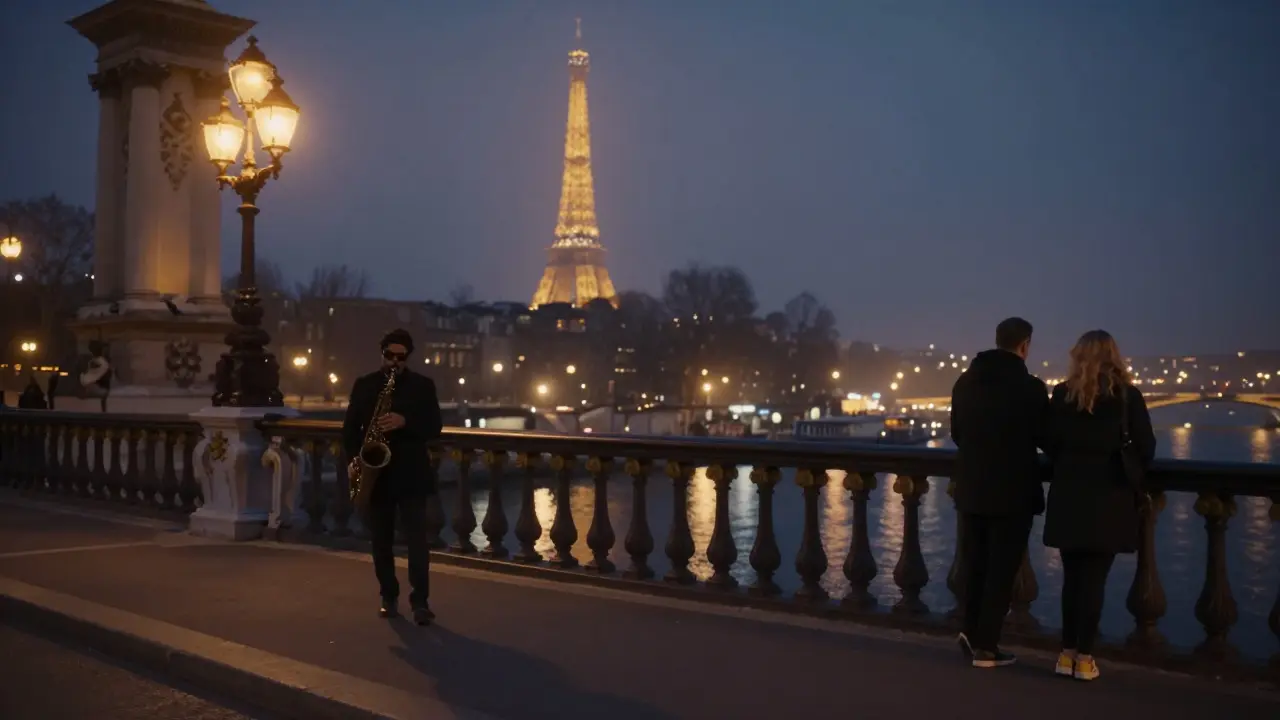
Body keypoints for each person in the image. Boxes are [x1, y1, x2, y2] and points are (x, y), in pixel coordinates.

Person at [1043, 330, 1155, 681]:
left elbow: (1049, 442)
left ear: (1078, 356)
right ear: (1114, 356)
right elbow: (1146, 447)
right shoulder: (1127, 397)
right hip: (1110, 497)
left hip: (1068, 495)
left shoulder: (1061, 395)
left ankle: (1066, 654)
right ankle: (1086, 659)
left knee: (1072, 580)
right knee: (1094, 581)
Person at [950, 317, 1049, 668]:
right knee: (1000, 571)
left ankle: (970, 630)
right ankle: (987, 648)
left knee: (975, 563)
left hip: (972, 486)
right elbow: (1045, 439)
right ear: (1025, 345)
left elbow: (957, 433)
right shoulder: (1032, 389)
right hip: (1012, 491)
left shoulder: (965, 382)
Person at [342, 328, 443, 625]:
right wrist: (353, 461)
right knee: (381, 541)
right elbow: (350, 430)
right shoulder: (365, 386)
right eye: (390, 356)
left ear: (407, 357)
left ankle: (420, 601)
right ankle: (388, 595)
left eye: (401, 357)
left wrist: (405, 421)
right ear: (381, 353)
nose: (395, 362)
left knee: (417, 542)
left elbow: (434, 427)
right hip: (379, 475)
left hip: (411, 473)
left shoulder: (423, 386)